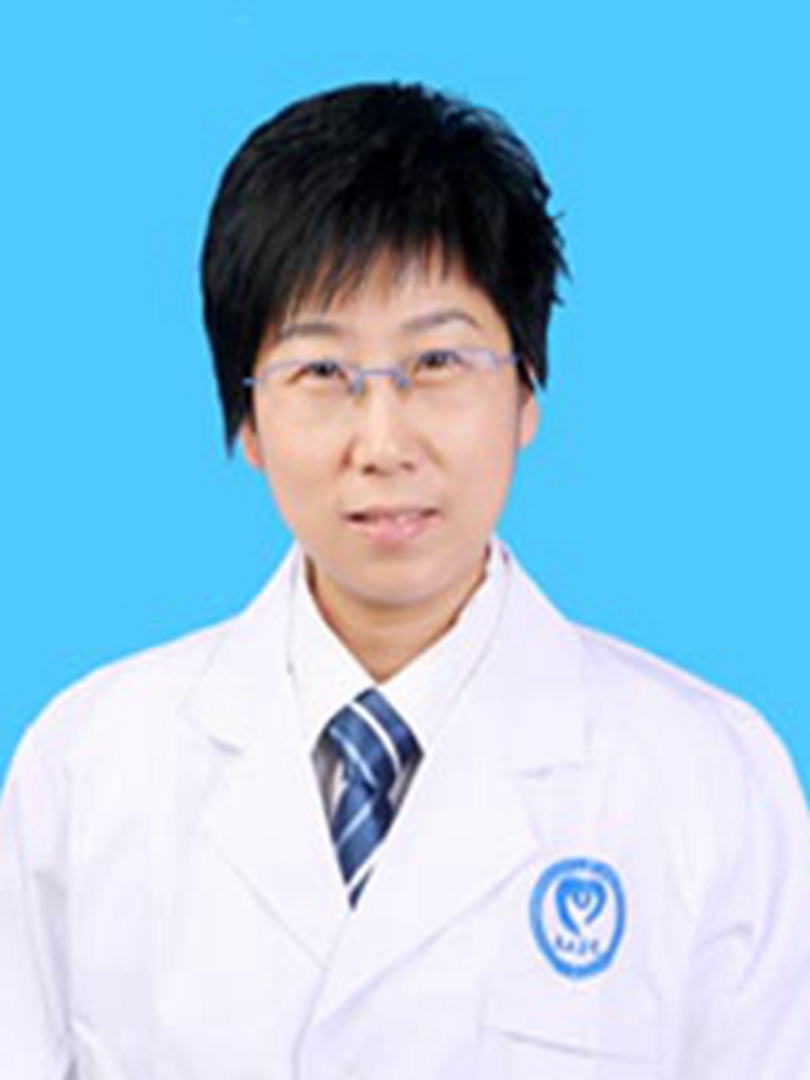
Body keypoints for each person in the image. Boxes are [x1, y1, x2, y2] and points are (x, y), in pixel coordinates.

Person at [1, 81, 808, 1080]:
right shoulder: (89, 769)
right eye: (322, 372)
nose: (383, 444)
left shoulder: (709, 780)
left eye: (437, 362)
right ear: (248, 420)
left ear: (527, 391)